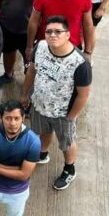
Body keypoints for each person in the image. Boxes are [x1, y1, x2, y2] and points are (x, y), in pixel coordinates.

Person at [21, 16, 92, 190]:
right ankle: (43, 153)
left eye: (58, 31)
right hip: (39, 104)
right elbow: (31, 71)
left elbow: (83, 95)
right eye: (49, 31)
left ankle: (69, 169)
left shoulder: (80, 63)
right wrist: (25, 94)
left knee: (66, 143)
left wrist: (71, 117)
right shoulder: (41, 46)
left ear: (68, 35)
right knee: (43, 131)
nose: (53, 35)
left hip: (63, 113)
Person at [26, 0, 95, 62]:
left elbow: (88, 25)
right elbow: (33, 21)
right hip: (45, 46)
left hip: (72, 47)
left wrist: (88, 52)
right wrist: (29, 47)